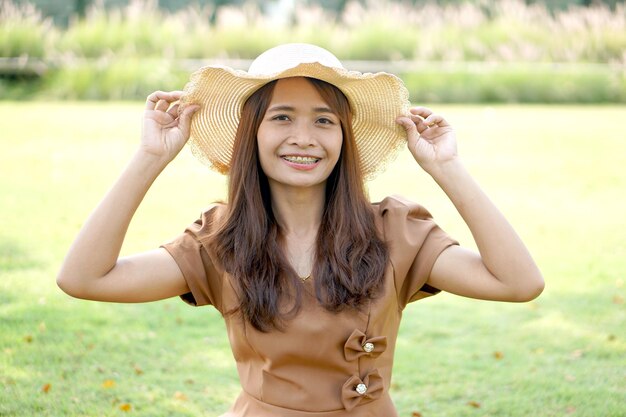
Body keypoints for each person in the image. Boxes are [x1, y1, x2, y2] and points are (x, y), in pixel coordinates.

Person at [57, 43, 544, 416]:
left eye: (324, 121)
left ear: (343, 138)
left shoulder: (395, 231)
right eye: (282, 117)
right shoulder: (221, 241)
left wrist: (447, 167)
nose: (304, 138)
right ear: (254, 134)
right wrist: (149, 158)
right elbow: (84, 278)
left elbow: (519, 282)